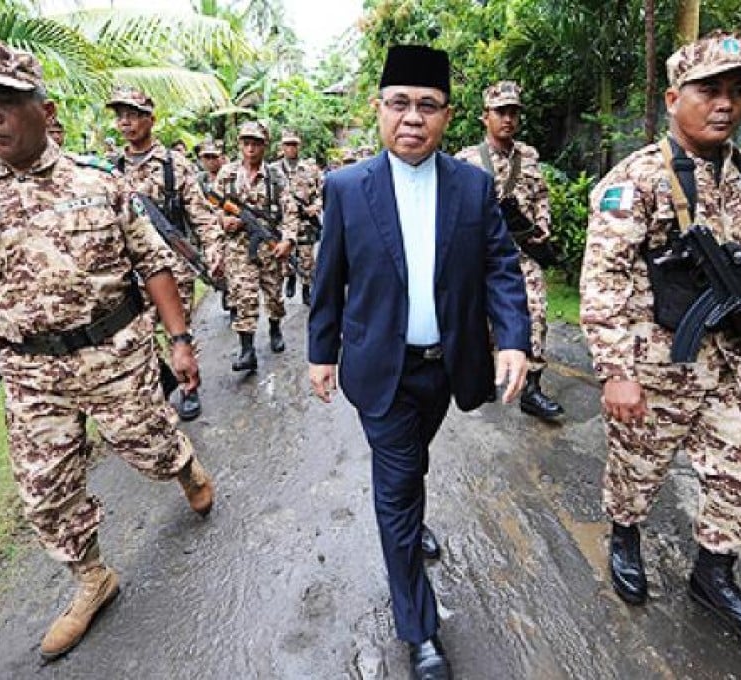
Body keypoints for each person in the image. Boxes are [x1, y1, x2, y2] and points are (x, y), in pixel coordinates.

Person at [0, 40, 214, 661]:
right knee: (44, 491)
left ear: (44, 109)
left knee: (148, 446)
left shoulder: (99, 182)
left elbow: (154, 264)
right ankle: (92, 578)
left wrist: (180, 342)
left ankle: (183, 466)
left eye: (4, 100)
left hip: (113, 356)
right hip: (29, 371)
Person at [580, 30, 741, 651]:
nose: (726, 104)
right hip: (657, 363)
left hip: (732, 361)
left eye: (736, 92)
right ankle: (625, 535)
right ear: (674, 99)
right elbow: (604, 279)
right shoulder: (637, 178)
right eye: (709, 90)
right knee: (637, 469)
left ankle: (712, 575)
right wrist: (617, 371)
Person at [308, 45, 530, 680]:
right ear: (378, 108)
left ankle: (411, 513)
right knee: (398, 485)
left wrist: (512, 338)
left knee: (413, 459)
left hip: (446, 367)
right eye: (400, 103)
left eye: (427, 105)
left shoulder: (472, 186)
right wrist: (321, 353)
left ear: (447, 115)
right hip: (380, 368)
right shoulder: (346, 188)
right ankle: (419, 628)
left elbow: (500, 265)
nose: (413, 117)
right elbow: (329, 278)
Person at [106, 86, 224, 421]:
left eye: (133, 115)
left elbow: (201, 214)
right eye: (120, 116)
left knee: (179, 332)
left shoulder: (175, 165)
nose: (125, 122)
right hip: (129, 273)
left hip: (173, 266)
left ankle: (188, 387)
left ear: (151, 119)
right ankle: (159, 385)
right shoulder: (109, 170)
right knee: (138, 338)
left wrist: (213, 248)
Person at [456, 80, 565, 421]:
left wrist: (542, 226)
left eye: (513, 112)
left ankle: (531, 388)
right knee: (480, 317)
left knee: (536, 314)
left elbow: (541, 195)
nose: (508, 119)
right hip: (481, 255)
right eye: (500, 112)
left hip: (523, 252)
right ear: (484, 116)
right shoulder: (466, 160)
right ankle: (487, 375)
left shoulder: (528, 156)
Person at [214, 121, 298, 367]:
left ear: (265, 146)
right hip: (238, 249)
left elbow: (290, 210)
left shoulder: (275, 176)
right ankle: (247, 349)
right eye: (246, 143)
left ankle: (275, 328)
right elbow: (211, 207)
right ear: (240, 145)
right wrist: (223, 220)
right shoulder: (227, 174)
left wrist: (288, 239)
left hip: (270, 247)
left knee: (274, 296)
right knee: (244, 296)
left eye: (256, 144)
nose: (250, 149)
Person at [270, 128, 322, 306]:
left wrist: (316, 206)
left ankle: (307, 289)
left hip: (305, 220)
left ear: (299, 146)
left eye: (294, 144)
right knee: (286, 255)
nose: (291, 148)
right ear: (282, 146)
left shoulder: (310, 169)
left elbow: (321, 192)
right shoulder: (273, 170)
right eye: (287, 144)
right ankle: (290, 277)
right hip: (283, 222)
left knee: (307, 258)